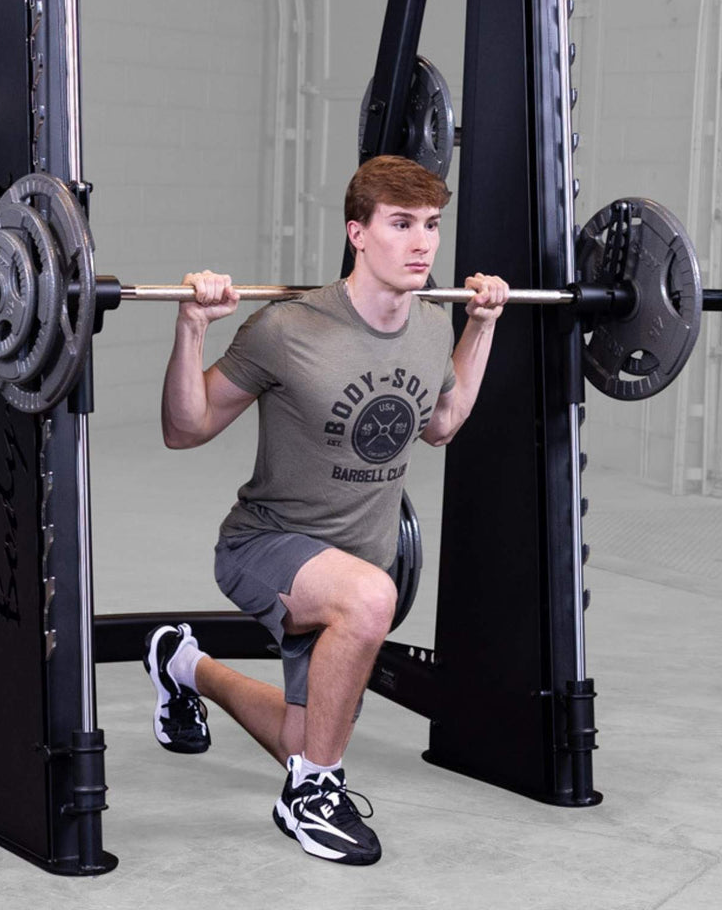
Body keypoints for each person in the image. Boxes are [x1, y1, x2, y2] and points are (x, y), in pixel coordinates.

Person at [143, 155, 508, 865]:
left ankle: (182, 664)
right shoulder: (286, 328)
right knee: (373, 601)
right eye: (400, 224)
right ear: (358, 234)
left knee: (300, 737)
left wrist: (484, 324)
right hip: (267, 545)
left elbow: (442, 423)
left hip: (354, 563)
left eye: (431, 226)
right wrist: (192, 326)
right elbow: (184, 429)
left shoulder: (434, 327)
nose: (422, 243)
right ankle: (311, 796)